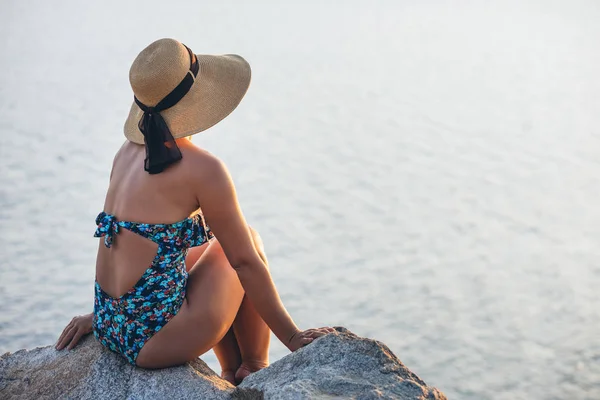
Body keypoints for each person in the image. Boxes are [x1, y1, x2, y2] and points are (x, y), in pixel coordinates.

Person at [55, 38, 334, 385]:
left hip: (111, 324)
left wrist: (102, 317)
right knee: (247, 242)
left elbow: (127, 250)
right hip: (151, 342)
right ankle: (255, 367)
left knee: (209, 247)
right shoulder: (202, 169)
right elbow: (244, 262)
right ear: (195, 100)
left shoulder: (126, 153)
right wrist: (293, 338)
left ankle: (231, 370)